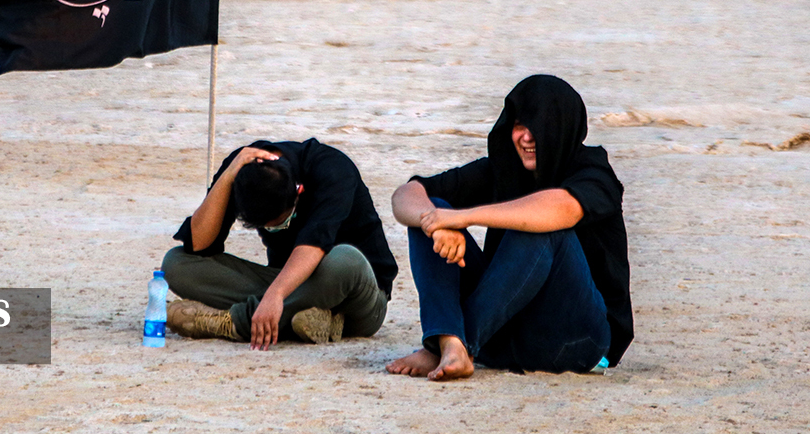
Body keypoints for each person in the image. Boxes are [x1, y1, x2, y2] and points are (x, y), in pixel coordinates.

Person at [386, 75, 633, 380]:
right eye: (519, 126)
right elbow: (406, 194)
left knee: (542, 226)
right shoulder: (503, 168)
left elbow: (562, 208)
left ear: (561, 128)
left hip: (578, 342)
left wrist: (464, 217)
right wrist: (435, 224)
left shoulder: (594, 172)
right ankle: (450, 341)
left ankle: (450, 346)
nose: (526, 138)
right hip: (504, 336)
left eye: (538, 127)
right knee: (430, 211)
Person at [162, 138, 398, 351]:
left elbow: (314, 244)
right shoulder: (244, 169)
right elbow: (200, 245)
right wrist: (228, 175)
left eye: (281, 223)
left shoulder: (333, 169)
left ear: (298, 191)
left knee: (344, 259)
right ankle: (303, 319)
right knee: (176, 263)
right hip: (288, 284)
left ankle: (232, 323)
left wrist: (276, 294)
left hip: (356, 296)